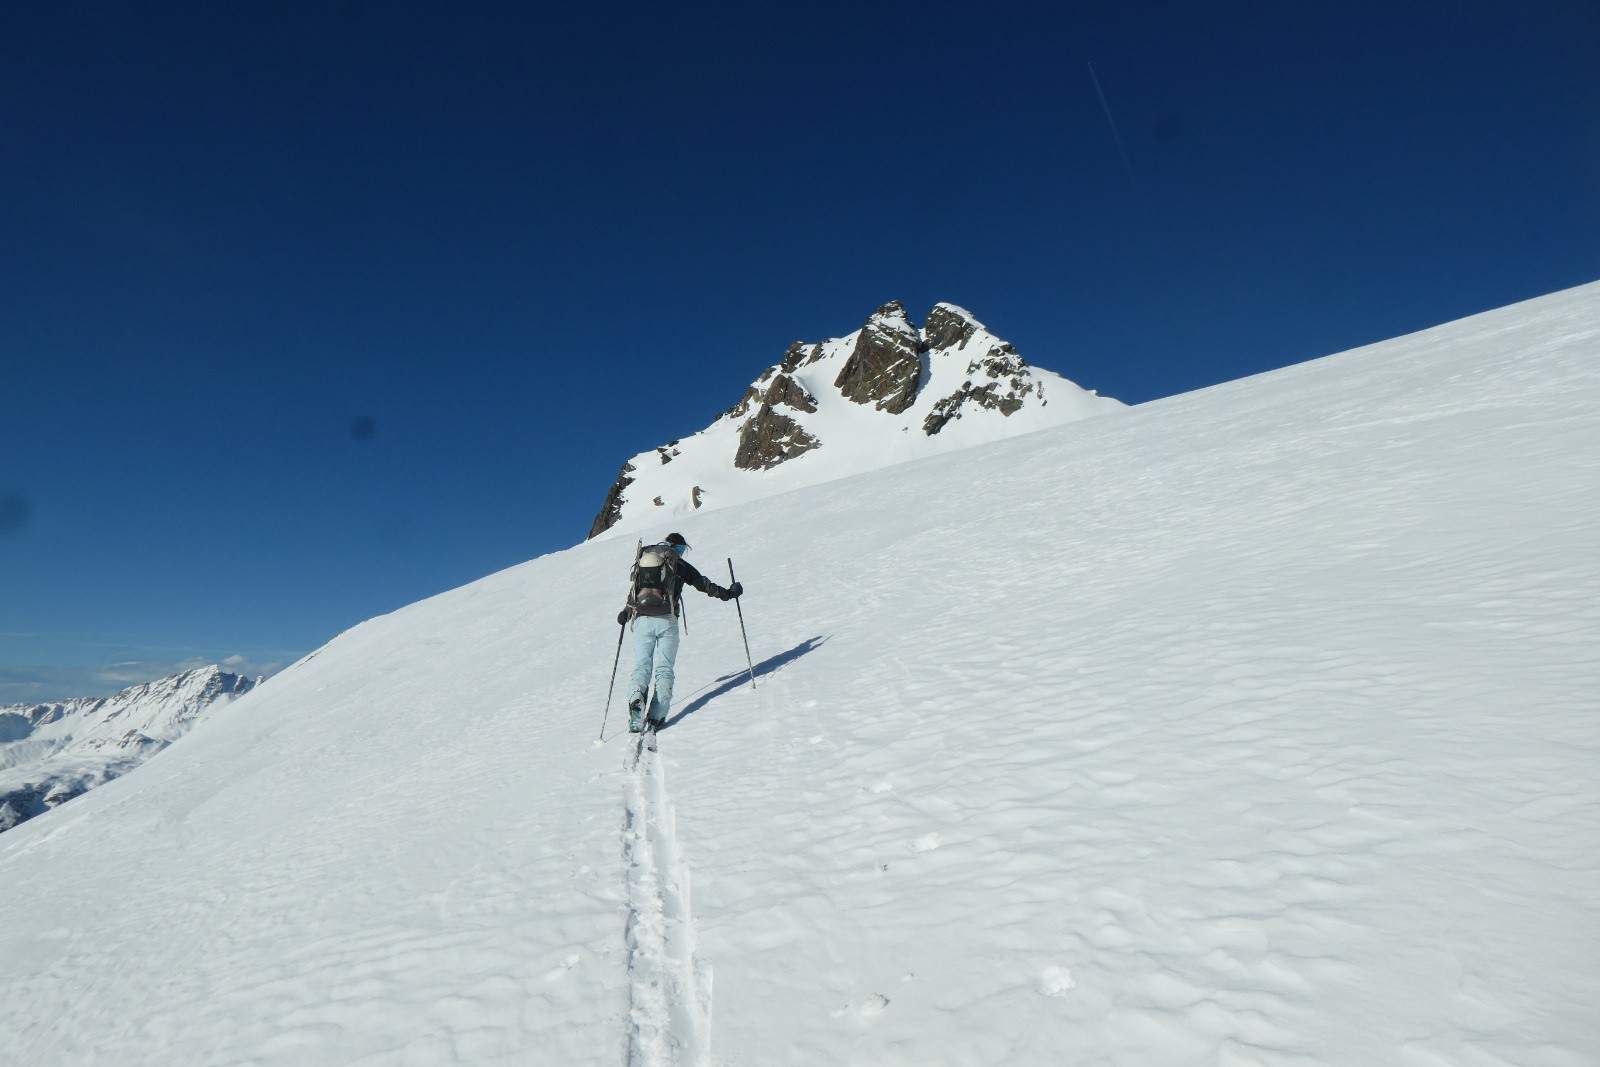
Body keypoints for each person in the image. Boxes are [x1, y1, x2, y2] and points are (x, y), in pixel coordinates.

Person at [617, 532, 743, 733]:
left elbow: (634, 591)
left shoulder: (645, 561)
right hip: (667, 620)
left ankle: (636, 700)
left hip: (641, 619)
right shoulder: (678, 564)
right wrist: (729, 593)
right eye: (682, 550)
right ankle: (656, 717)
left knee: (642, 666)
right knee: (664, 668)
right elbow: (704, 585)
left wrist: (625, 613)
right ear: (678, 549)